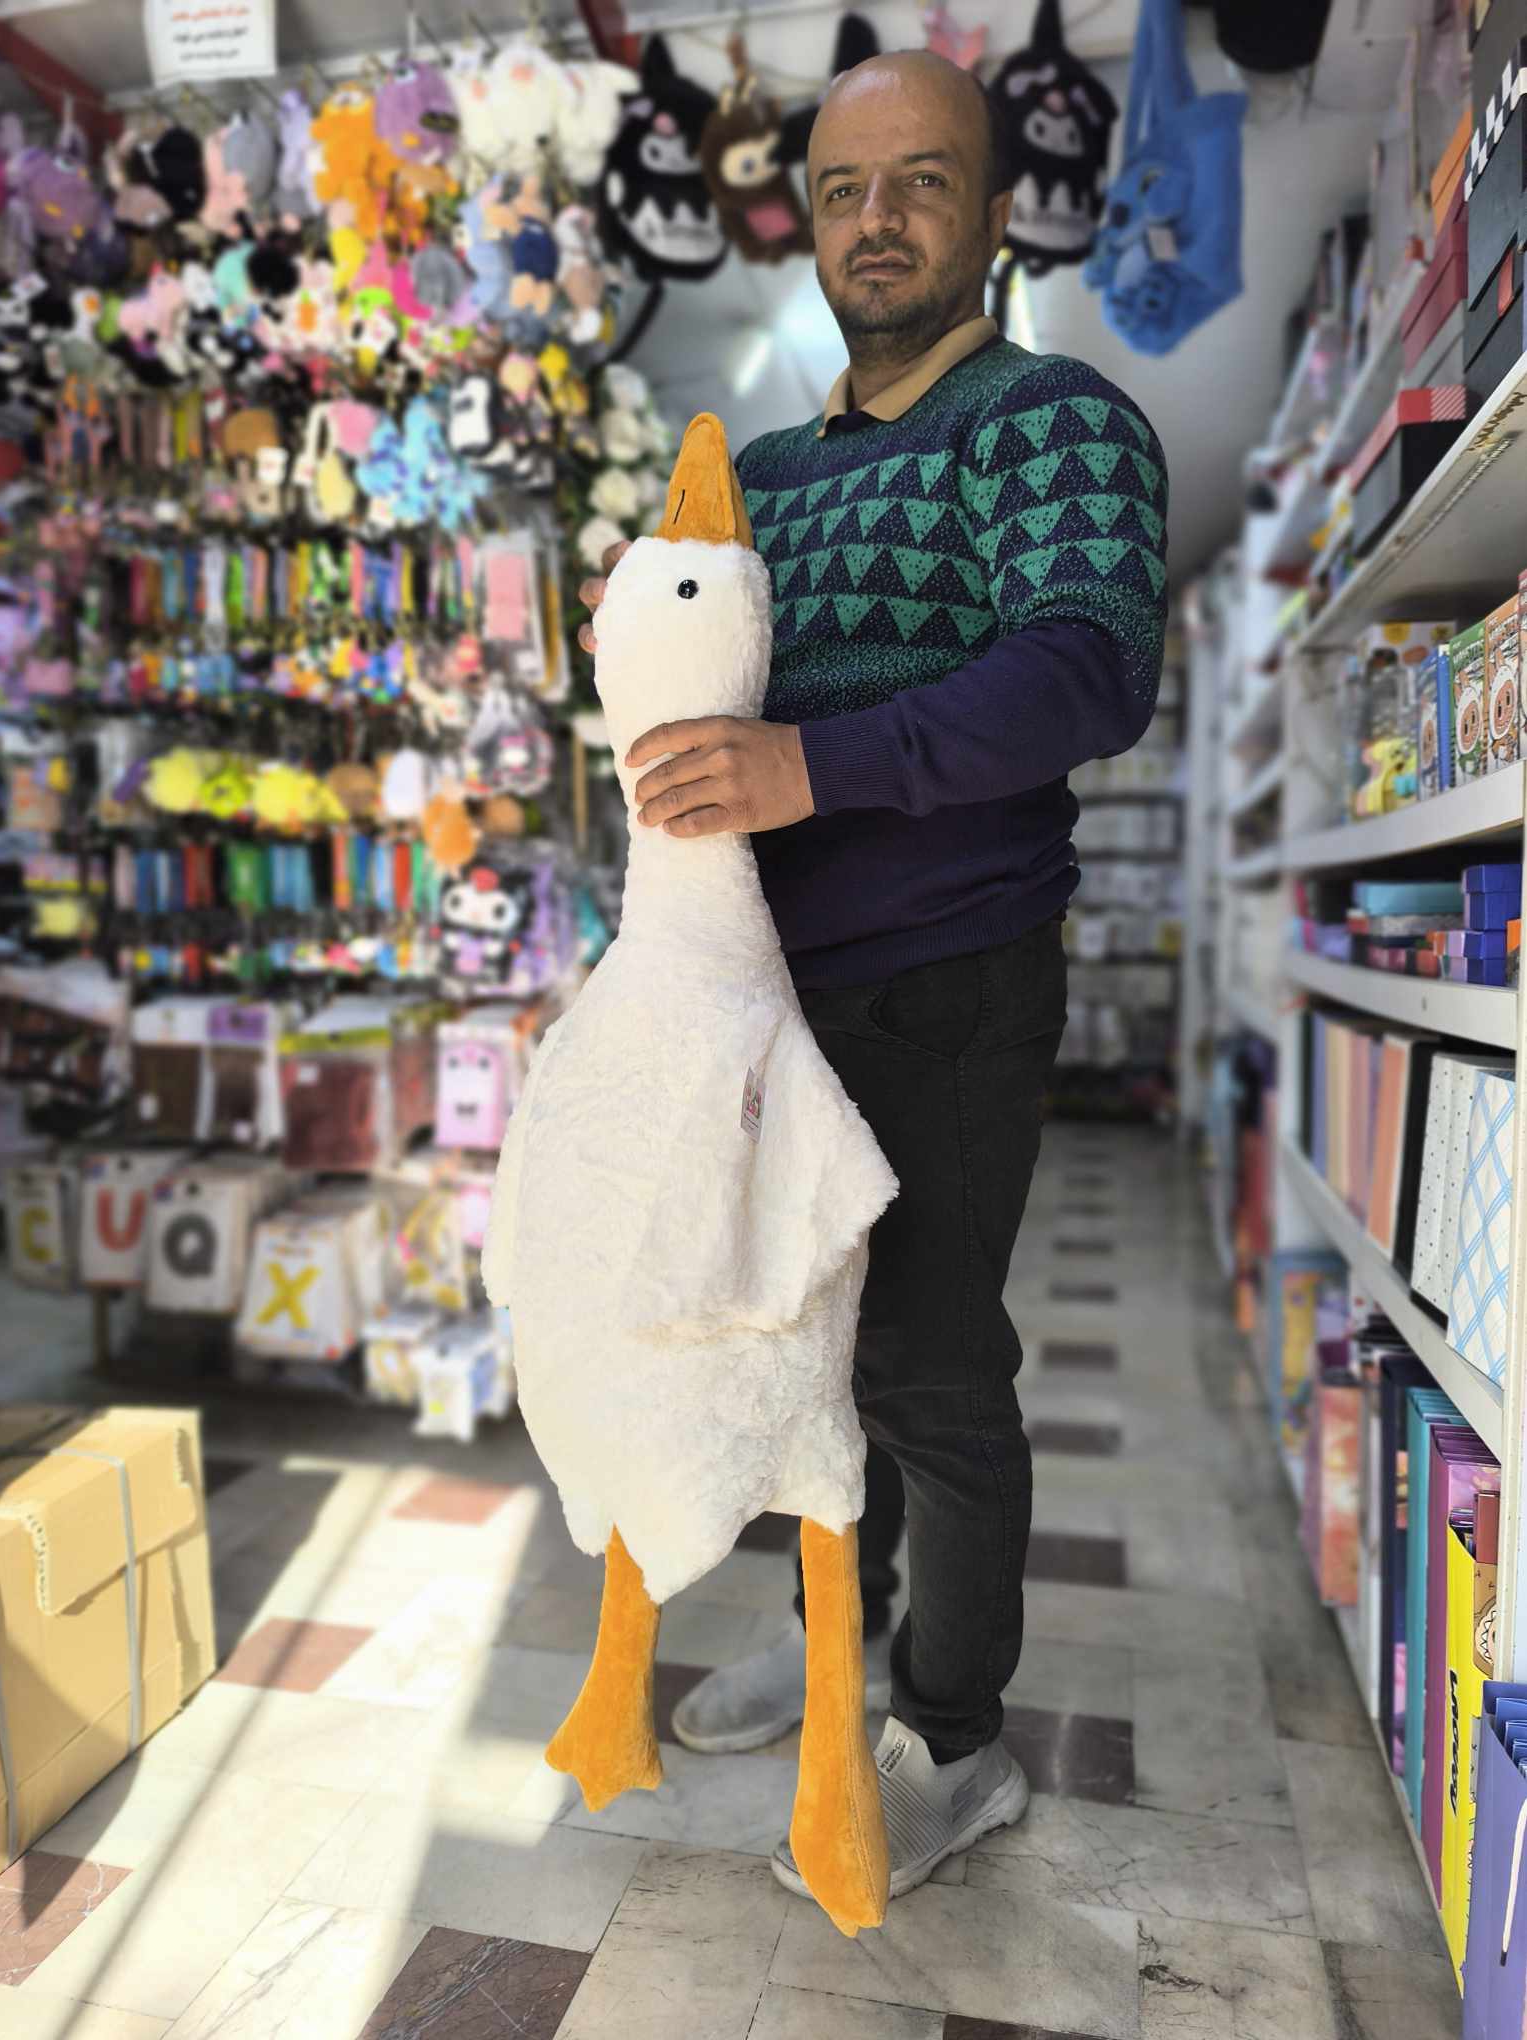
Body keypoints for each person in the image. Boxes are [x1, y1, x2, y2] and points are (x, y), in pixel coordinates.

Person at [576, 47, 1167, 1901]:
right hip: (754, 996)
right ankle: (834, 1630)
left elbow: (1083, 668)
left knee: (924, 1361)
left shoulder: (1052, 419)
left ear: (992, 214)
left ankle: (955, 1739)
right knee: (797, 1349)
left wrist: (810, 768)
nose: (877, 219)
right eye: (842, 190)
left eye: (920, 180)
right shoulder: (758, 475)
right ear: (807, 224)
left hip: (945, 980)